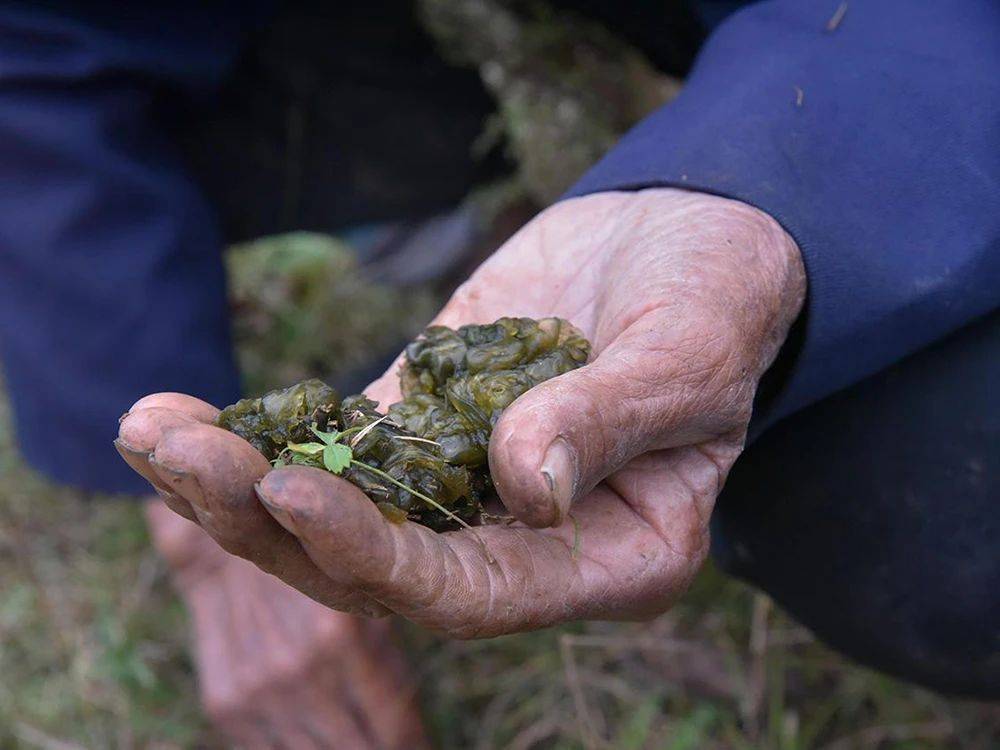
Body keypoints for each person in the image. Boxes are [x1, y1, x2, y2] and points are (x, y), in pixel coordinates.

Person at [2, 0, 998, 743]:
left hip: (892, 57)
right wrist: (178, 490)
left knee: (936, 531)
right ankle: (450, 191)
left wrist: (753, 194)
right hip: (404, 56)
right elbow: (34, 59)